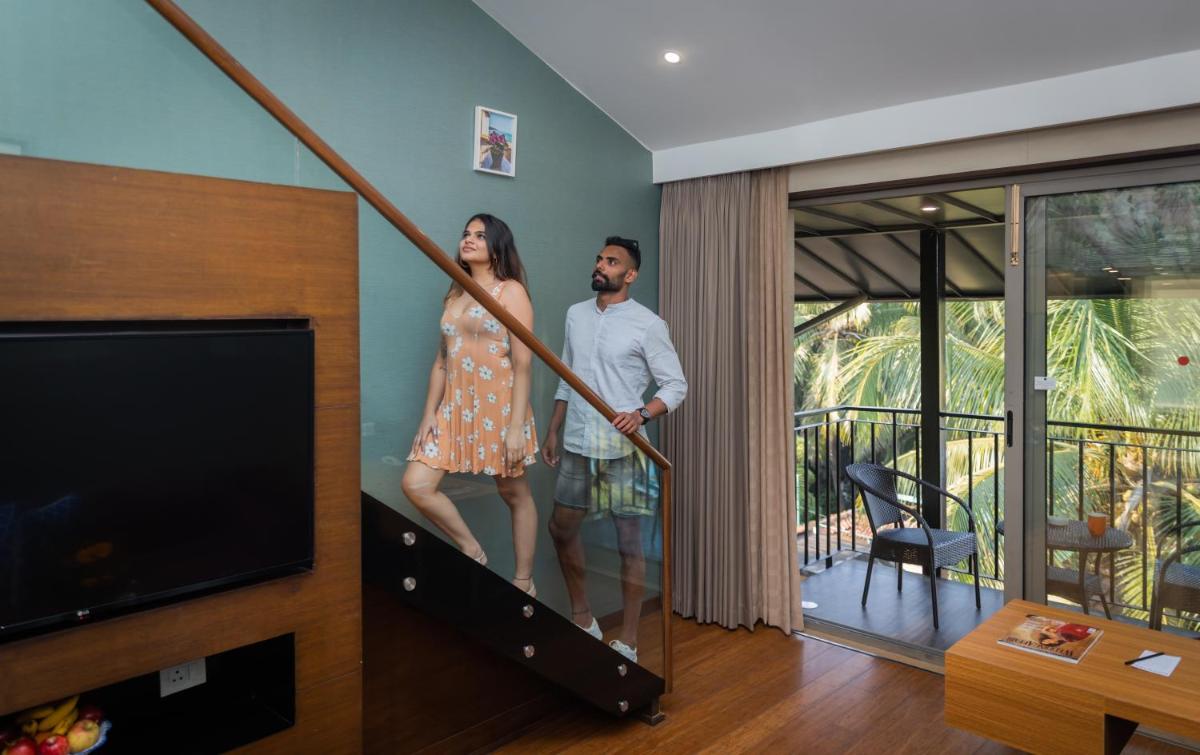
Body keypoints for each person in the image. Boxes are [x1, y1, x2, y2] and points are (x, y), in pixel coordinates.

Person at [542, 236, 687, 664]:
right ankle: (583, 616)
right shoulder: (575, 315)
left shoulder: (648, 324)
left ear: (630, 274)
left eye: (611, 261)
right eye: (599, 258)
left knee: (629, 545)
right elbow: (567, 374)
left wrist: (642, 414)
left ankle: (628, 639)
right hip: (576, 443)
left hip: (625, 449)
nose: (601, 265)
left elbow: (676, 385)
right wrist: (553, 428)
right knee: (560, 528)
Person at [403, 214, 540, 595]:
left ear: (497, 246)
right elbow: (441, 361)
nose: (469, 239)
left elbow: (524, 363)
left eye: (480, 235)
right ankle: (472, 549)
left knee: (513, 493)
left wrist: (515, 427)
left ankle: (524, 581)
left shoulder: (510, 291)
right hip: (454, 408)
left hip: (500, 409)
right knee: (416, 484)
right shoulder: (455, 292)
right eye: (466, 233)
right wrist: (429, 413)